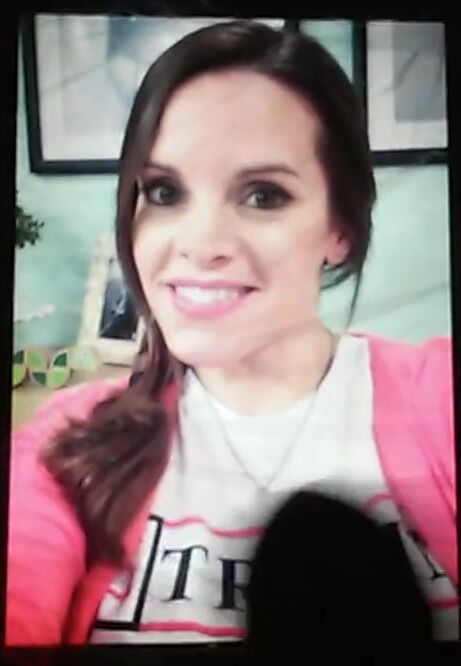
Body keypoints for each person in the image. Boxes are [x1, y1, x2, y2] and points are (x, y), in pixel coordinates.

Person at [7, 20, 458, 647]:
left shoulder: (440, 395)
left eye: (263, 196)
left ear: (340, 228)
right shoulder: (68, 440)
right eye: (164, 191)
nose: (200, 243)